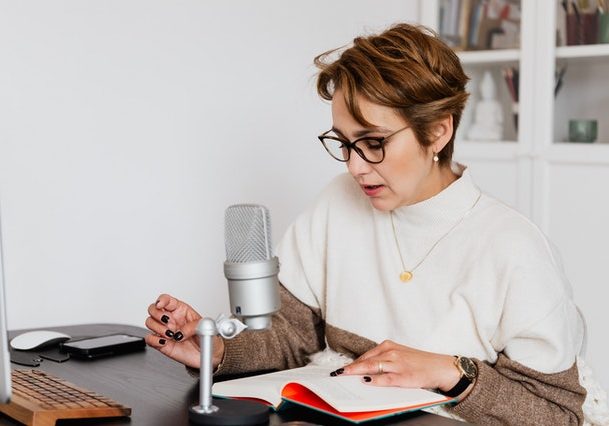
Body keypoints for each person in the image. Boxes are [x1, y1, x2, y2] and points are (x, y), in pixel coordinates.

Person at [145, 23, 591, 424]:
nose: (356, 167)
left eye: (373, 143)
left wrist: (450, 372)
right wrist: (215, 351)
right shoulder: (337, 203)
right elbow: (292, 337)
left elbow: (557, 413)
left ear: (438, 131)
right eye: (344, 143)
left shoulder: (514, 248)